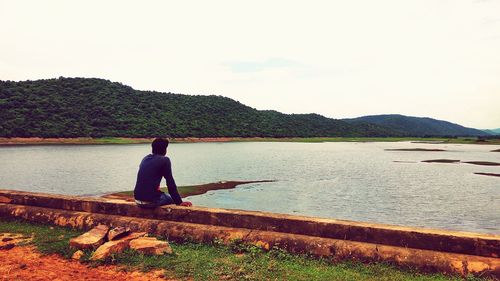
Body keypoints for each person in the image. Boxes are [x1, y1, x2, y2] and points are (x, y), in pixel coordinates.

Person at [134, 138, 192, 208]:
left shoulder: (145, 158)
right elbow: (170, 183)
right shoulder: (165, 160)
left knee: (165, 195)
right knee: (170, 198)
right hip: (150, 202)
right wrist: (179, 202)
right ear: (165, 149)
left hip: (137, 201)